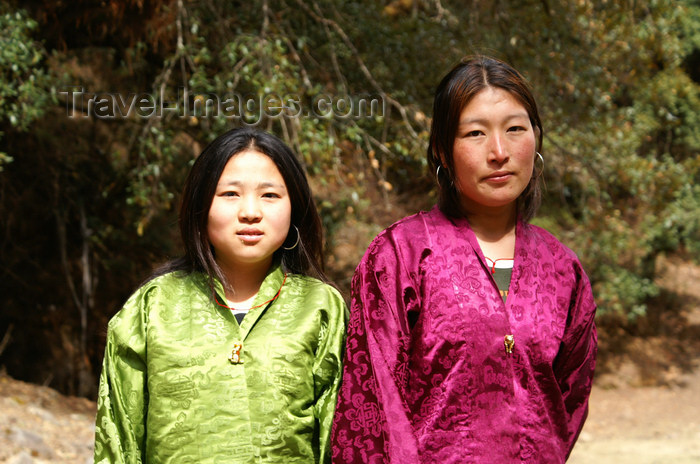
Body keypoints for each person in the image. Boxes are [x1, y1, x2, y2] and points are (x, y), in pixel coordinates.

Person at [331, 55, 597, 463]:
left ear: (536, 139)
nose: (498, 152)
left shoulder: (562, 269)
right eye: (475, 133)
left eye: (515, 129)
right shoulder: (402, 255)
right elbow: (374, 405)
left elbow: (567, 403)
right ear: (442, 149)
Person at [94, 127, 348, 463]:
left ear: (294, 208)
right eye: (230, 193)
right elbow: (118, 436)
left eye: (270, 195)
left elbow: (341, 442)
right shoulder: (152, 306)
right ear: (200, 206)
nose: (250, 212)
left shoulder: (321, 308)